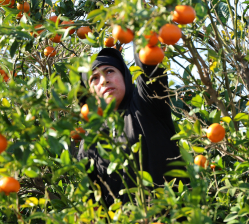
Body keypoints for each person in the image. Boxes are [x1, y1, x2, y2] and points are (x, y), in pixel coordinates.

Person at [77, 46, 186, 207]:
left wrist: (135, 26)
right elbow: (92, 205)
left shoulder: (146, 103)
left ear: (125, 75)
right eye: (94, 78)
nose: (104, 80)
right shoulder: (89, 142)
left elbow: (148, 59)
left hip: (175, 222)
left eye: (109, 71)